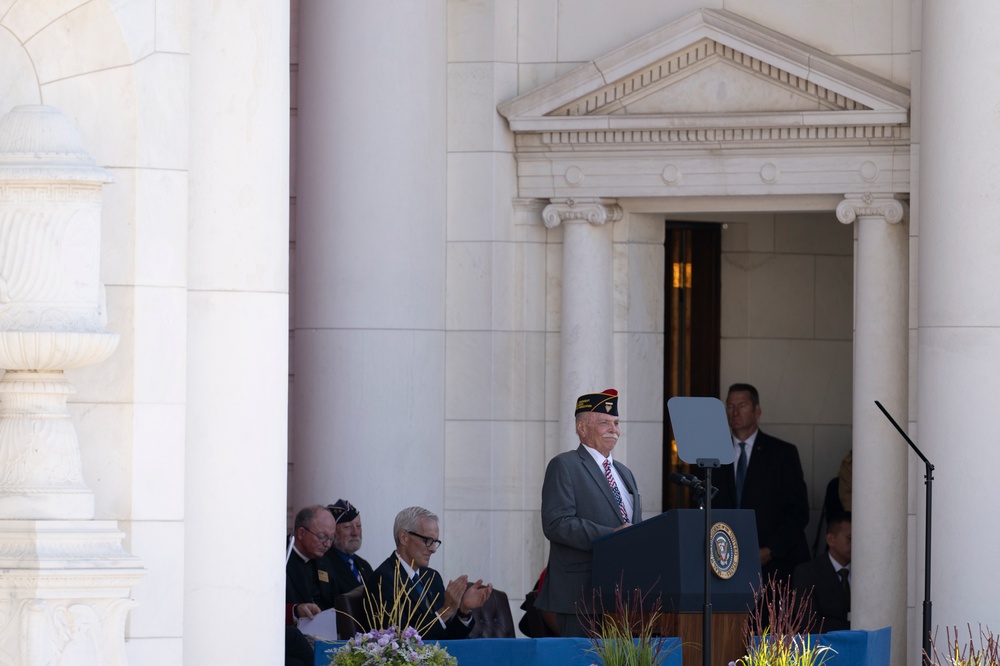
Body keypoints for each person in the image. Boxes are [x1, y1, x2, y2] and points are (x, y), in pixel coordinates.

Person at [535, 388, 641, 637]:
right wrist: (610, 536)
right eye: (604, 423)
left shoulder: (625, 473)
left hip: (623, 599)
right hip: (581, 597)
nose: (614, 429)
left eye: (616, 422)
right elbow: (556, 523)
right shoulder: (565, 464)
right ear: (582, 428)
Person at [713, 383, 810, 582]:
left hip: (774, 566)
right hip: (725, 563)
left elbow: (798, 510)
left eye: (742, 405)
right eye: (730, 406)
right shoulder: (714, 457)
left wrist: (772, 549)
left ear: (757, 411)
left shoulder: (782, 453)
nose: (735, 412)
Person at [370, 506, 493, 640]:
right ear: (404, 537)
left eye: (435, 542)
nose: (433, 549)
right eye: (428, 541)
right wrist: (447, 610)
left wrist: (464, 610)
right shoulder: (382, 580)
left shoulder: (432, 577)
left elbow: (447, 638)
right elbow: (400, 642)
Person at [285, 504, 338, 666]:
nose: (327, 544)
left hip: (320, 639)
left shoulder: (325, 562)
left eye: (331, 538)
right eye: (322, 536)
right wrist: (295, 609)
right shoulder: (278, 556)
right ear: (301, 533)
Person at [793, 513, 851, 632]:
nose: (856, 543)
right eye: (849, 538)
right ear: (830, 539)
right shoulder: (807, 573)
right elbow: (808, 622)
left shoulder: (867, 572)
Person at [323, 499, 374, 594]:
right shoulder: (324, 563)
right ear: (333, 532)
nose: (355, 533)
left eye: (358, 526)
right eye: (347, 527)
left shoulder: (364, 565)